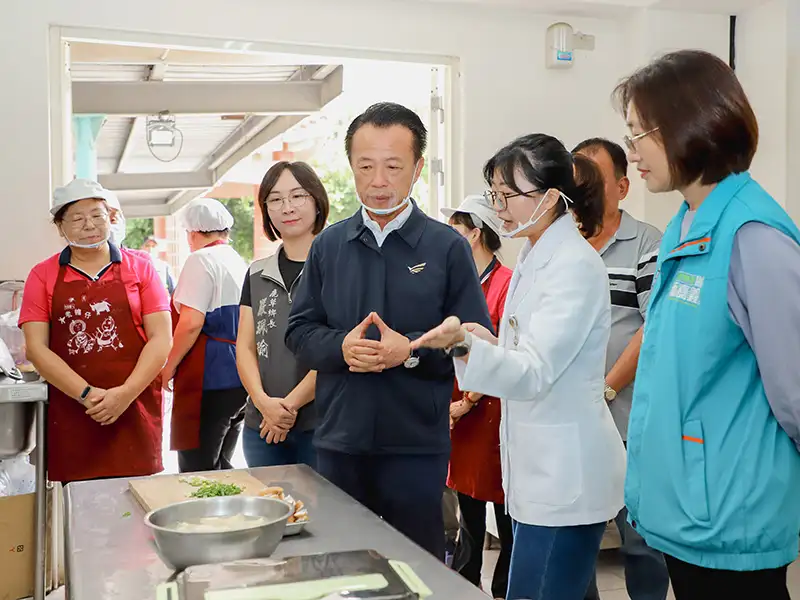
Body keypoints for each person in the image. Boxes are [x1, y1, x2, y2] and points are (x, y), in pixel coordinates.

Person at [615, 49, 800, 600]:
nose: (633, 154)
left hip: (732, 513)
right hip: (692, 507)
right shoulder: (686, 226)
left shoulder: (753, 238)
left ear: (686, 126)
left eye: (637, 134)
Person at [410, 134, 626, 600]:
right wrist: (477, 340)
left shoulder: (572, 266)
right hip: (536, 468)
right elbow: (524, 349)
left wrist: (466, 344)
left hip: (564, 472)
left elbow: (534, 371)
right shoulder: (534, 255)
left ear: (550, 198)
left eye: (507, 194)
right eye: (495, 194)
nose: (498, 206)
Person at [285, 102, 492, 559]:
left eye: (393, 166)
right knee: (343, 562)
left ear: (417, 168)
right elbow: (299, 333)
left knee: (416, 564)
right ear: (351, 168)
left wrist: (411, 351)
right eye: (366, 166)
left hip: (416, 444)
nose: (378, 181)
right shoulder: (328, 246)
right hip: (341, 440)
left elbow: (476, 341)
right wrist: (341, 346)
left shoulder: (447, 248)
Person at [19, 179, 172, 483]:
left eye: (97, 215)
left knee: (139, 505)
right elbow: (36, 348)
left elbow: (161, 338)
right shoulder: (43, 275)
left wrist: (124, 395)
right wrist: (87, 395)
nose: (89, 225)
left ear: (110, 218)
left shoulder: (141, 267)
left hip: (135, 406)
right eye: (76, 218)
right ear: (60, 227)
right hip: (74, 411)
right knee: (80, 510)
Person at [572, 138, 668, 600]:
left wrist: (605, 390)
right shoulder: (563, 244)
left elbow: (653, 327)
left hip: (629, 420)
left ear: (623, 187)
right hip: (573, 421)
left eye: (593, 177)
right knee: (578, 539)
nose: (581, 187)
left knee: (641, 541)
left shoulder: (647, 243)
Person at [441, 194, 513, 599]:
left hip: (493, 417)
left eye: (456, 228)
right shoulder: (458, 284)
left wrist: (466, 401)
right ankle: (466, 589)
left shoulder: (506, 283)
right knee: (466, 516)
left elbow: (504, 353)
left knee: (506, 520)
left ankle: (504, 591)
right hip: (460, 420)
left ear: (475, 234)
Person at [237, 161, 330, 470]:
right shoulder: (256, 273)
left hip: (322, 425)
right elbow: (245, 348)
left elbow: (338, 350)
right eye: (275, 199)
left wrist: (286, 409)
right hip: (260, 425)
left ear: (317, 201)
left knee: (321, 516)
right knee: (269, 512)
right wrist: (265, 405)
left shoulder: (339, 268)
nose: (287, 207)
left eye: (298, 196)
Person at [161, 197, 248, 473]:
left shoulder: (200, 260)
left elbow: (190, 323)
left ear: (194, 233)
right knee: (221, 464)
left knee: (198, 469)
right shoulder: (237, 259)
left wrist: (168, 367)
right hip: (239, 375)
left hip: (209, 375)